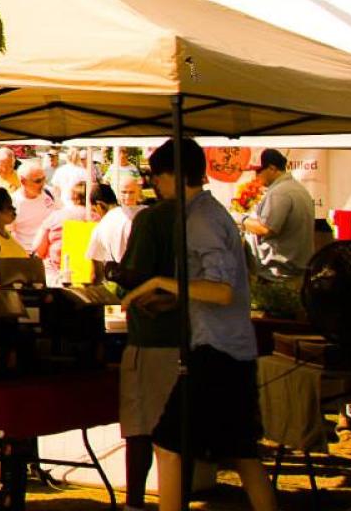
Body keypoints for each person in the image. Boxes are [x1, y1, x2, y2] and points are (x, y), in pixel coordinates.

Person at [120, 137, 278, 511]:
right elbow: (211, 288)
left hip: (216, 350)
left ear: (174, 175)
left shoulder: (200, 219)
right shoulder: (206, 214)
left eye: (157, 177)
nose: (154, 185)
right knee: (241, 452)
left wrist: (159, 283)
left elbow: (222, 291)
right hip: (231, 347)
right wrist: (169, 299)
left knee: (168, 442)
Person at [242, 149, 316, 278]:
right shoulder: (295, 187)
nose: (256, 176)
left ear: (272, 168)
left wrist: (242, 220)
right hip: (295, 267)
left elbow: (266, 229)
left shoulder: (279, 192)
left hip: (280, 271)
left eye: (258, 171)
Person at [30, 178, 95, 286]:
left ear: (72, 197)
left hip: (57, 275)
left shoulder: (56, 216)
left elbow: (38, 248)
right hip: (88, 277)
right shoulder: (97, 219)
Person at [87, 169, 141, 284]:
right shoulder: (141, 213)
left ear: (99, 205)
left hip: (123, 283)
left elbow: (96, 273)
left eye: (94, 210)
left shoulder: (100, 227)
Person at [11, 159, 57, 259]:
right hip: (27, 257)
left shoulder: (50, 193)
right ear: (23, 181)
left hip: (49, 256)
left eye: (44, 178)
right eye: (38, 181)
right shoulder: (12, 203)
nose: (43, 184)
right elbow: (9, 234)